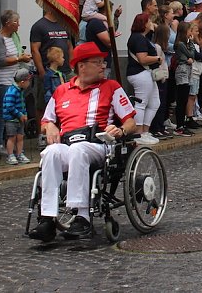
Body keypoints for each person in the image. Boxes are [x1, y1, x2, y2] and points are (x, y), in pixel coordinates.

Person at [29, 42, 137, 242]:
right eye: (97, 62)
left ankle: (82, 216)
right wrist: (50, 126)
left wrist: (120, 130)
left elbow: (131, 122)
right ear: (81, 66)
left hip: (98, 145)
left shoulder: (111, 87)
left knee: (78, 150)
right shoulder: (61, 91)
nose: (103, 66)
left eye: (103, 62)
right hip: (68, 144)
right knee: (52, 152)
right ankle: (47, 219)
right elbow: (46, 120)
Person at [0, 11, 33, 156]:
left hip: (14, 79)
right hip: (3, 80)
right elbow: (2, 60)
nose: (19, 24)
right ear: (8, 23)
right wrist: (20, 59)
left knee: (17, 109)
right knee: (4, 112)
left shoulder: (14, 36)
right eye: (16, 22)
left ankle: (13, 142)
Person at [126, 13, 161, 145]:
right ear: (144, 23)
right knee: (142, 103)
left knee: (154, 103)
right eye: (149, 21)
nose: (152, 23)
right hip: (140, 73)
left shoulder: (140, 37)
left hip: (144, 74)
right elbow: (142, 59)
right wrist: (157, 58)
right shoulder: (139, 39)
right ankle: (139, 133)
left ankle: (145, 131)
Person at [2, 68, 32, 166]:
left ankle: (20, 153)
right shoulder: (12, 91)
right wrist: (20, 115)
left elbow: (22, 105)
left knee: (20, 137)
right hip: (11, 119)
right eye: (28, 81)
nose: (29, 83)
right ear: (22, 82)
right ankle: (10, 155)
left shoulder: (20, 91)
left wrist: (25, 114)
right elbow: (9, 106)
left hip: (19, 119)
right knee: (11, 137)